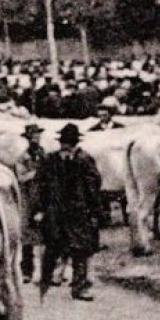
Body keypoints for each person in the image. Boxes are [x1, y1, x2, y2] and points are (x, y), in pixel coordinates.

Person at [37, 123, 104, 301]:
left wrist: (94, 210)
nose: (65, 146)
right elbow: (41, 185)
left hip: (77, 212)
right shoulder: (51, 160)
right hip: (57, 210)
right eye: (63, 142)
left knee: (80, 249)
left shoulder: (83, 160)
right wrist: (41, 208)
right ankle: (51, 278)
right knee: (54, 245)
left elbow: (93, 186)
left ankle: (79, 286)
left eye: (68, 142)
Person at [13, 124, 47, 284]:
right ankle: (27, 270)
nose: (36, 137)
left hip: (43, 196)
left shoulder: (43, 154)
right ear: (28, 138)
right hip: (28, 197)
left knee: (46, 234)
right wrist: (36, 173)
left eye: (38, 134)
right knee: (27, 236)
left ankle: (48, 270)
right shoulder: (22, 157)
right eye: (33, 135)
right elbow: (21, 177)